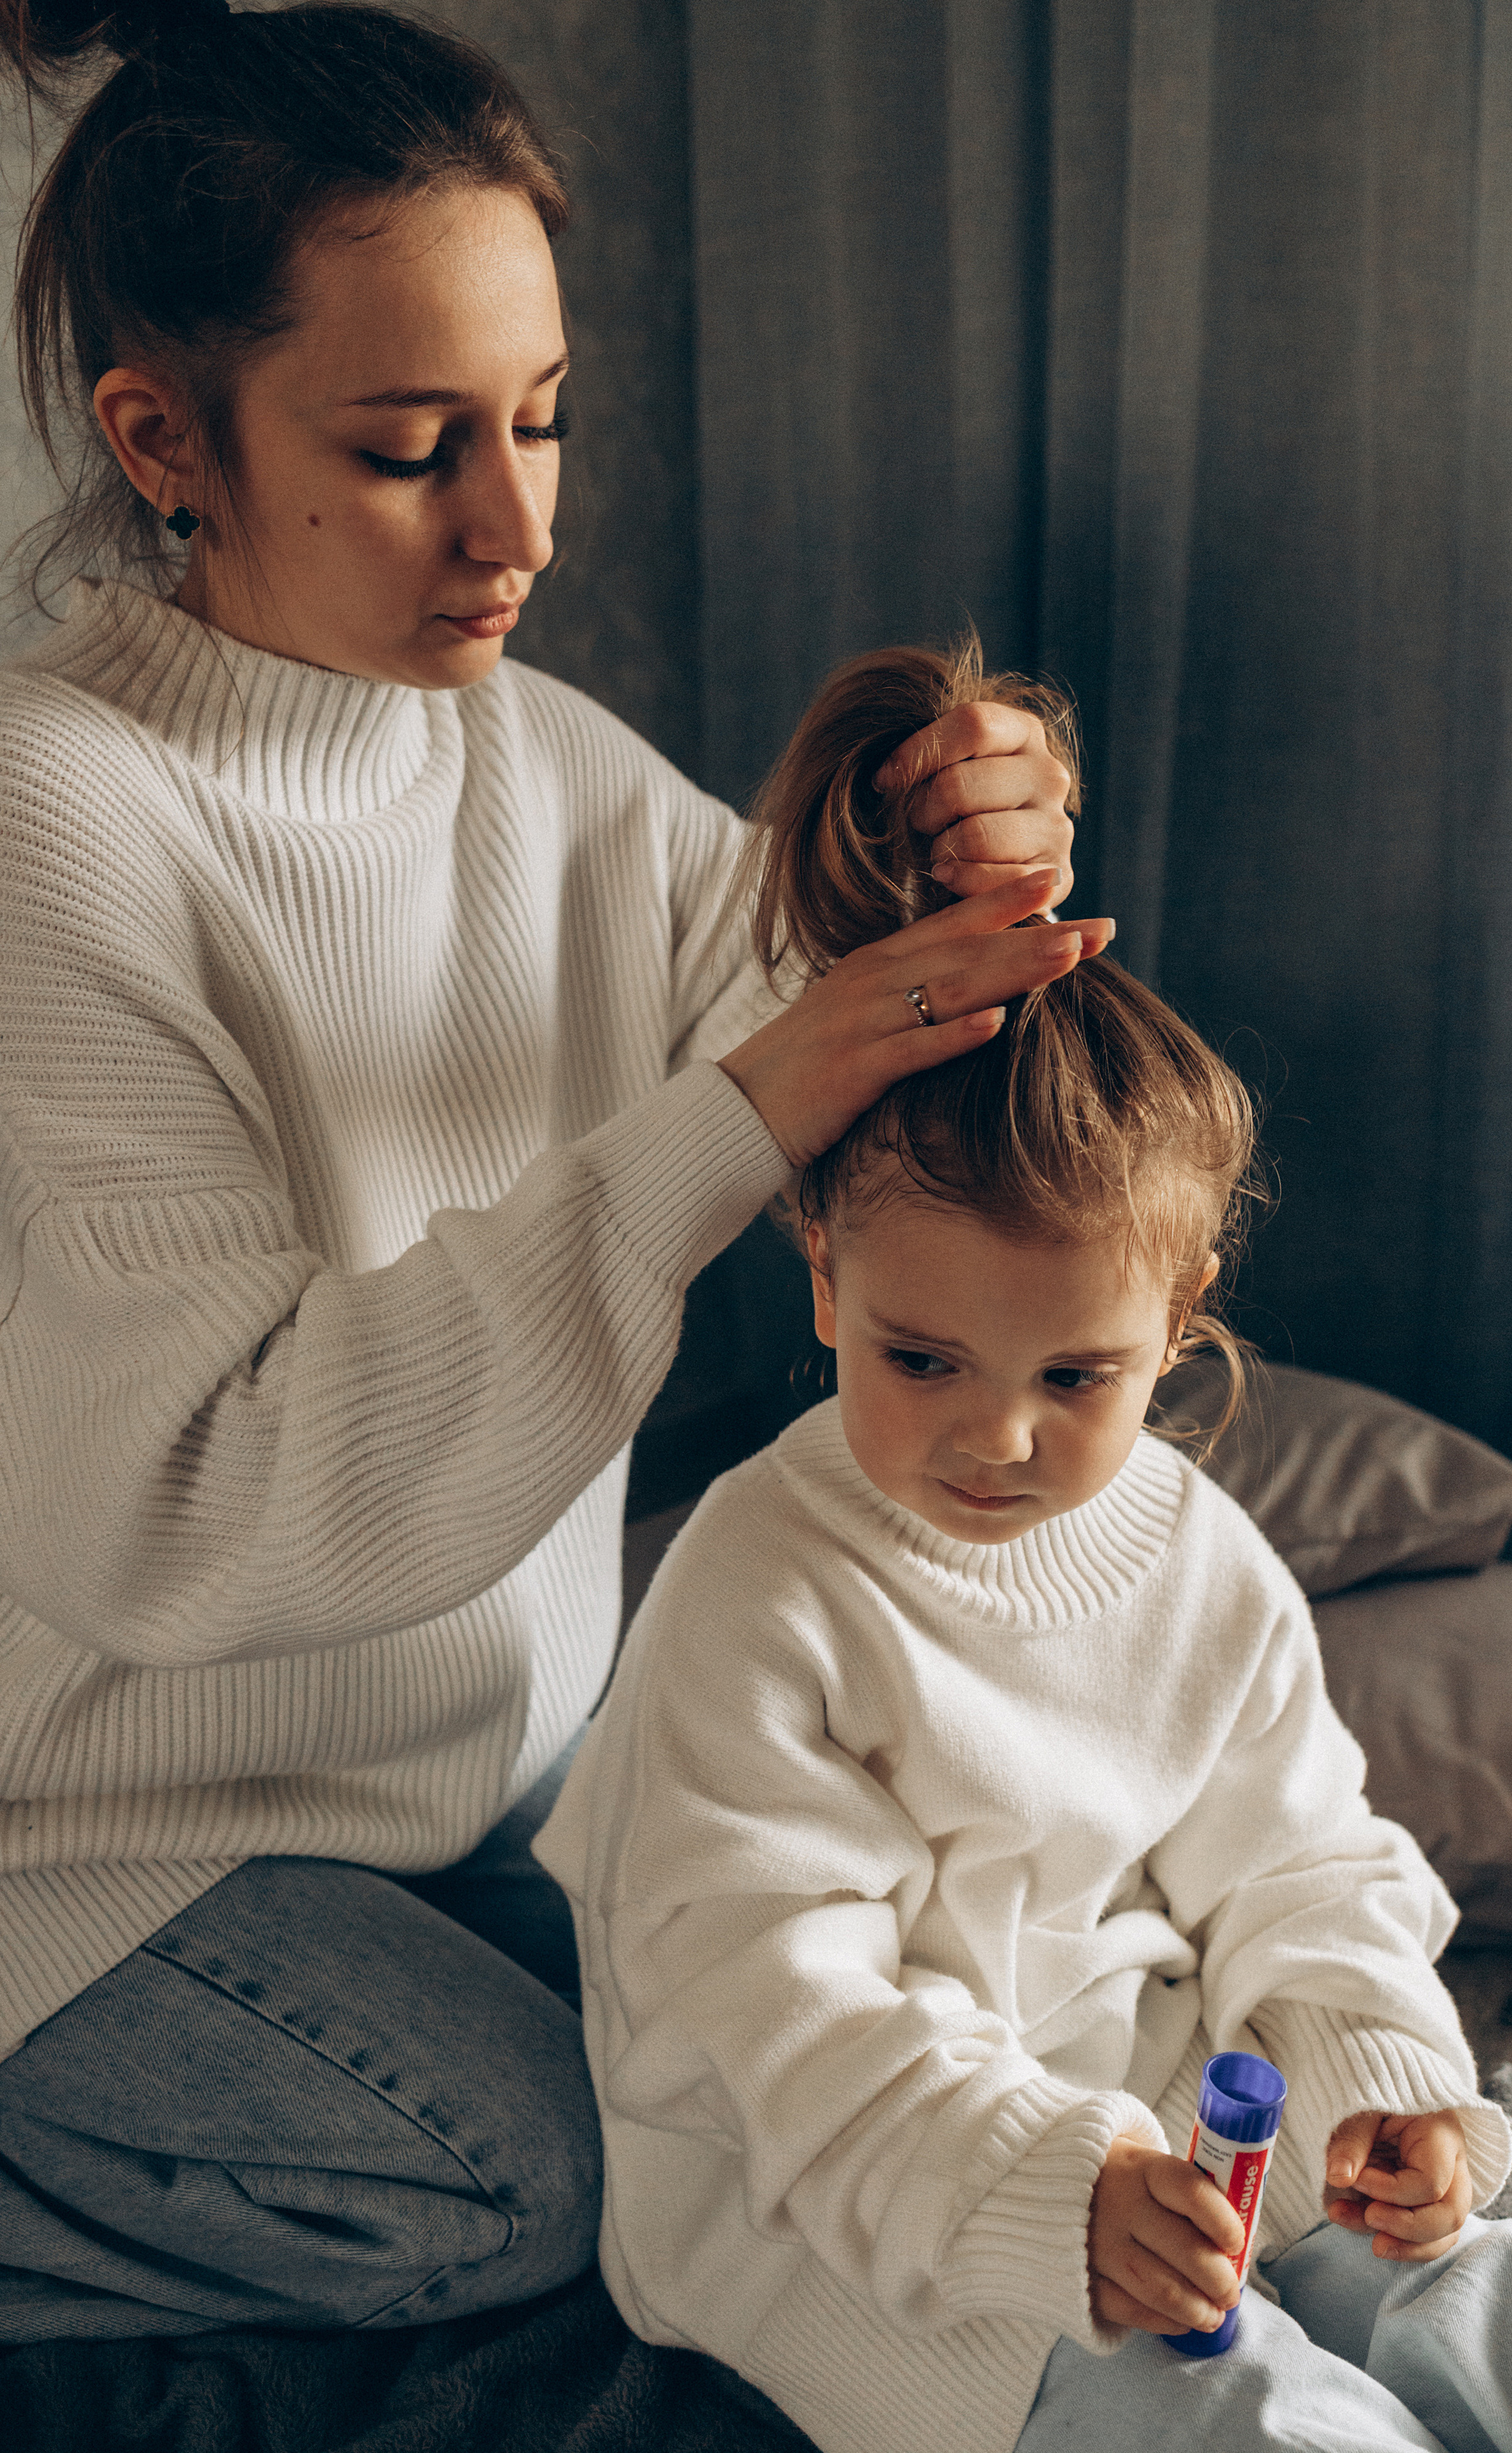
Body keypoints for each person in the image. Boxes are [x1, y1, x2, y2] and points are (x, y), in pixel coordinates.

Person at [0, 2, 1103, 2341]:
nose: (521, 527)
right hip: (100, 1849)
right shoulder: (51, 819)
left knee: (854, 2053)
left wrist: (961, 812)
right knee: (544, 2190)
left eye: (541, 419)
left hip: (462, 1803)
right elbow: (199, 1499)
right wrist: (745, 1097)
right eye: (412, 450)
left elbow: (853, 1001)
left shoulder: (526, 752)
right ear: (159, 439)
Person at [538, 643, 1512, 2453]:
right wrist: (1064, 2192)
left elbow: (1301, 1859)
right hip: (863, 2215)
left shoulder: (1189, 1551)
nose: (995, 1435)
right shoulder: (758, 1592)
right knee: (1256, 2419)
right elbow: (775, 2022)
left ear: (1180, 1320)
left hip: (1171, 2135)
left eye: (1076, 1375)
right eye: (921, 1359)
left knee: (1505, 2311)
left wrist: (1387, 2095)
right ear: (821, 1274)